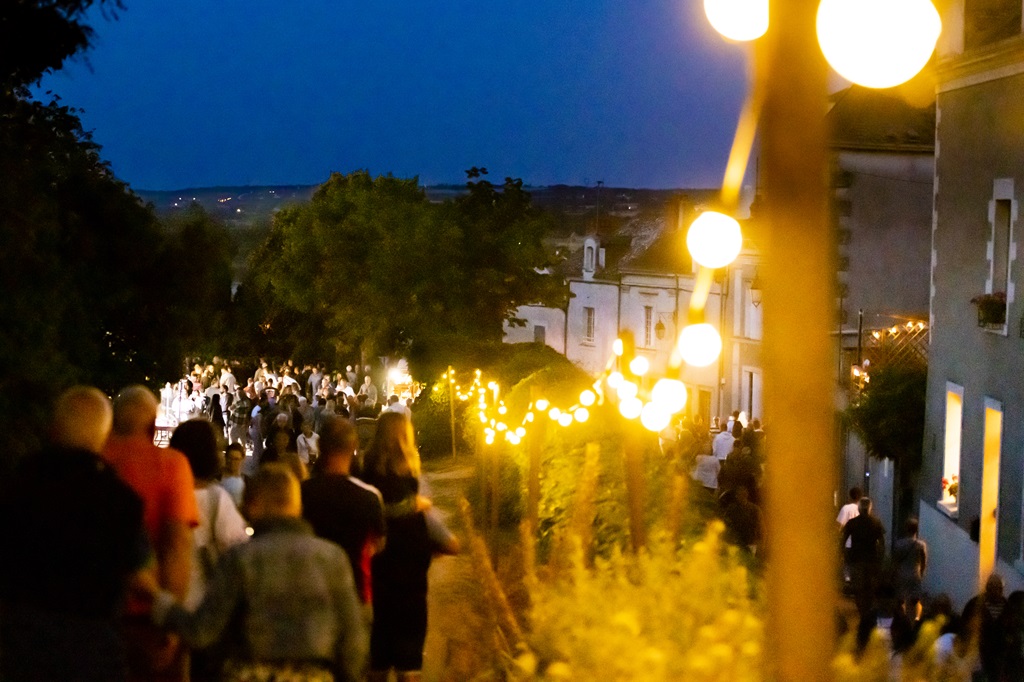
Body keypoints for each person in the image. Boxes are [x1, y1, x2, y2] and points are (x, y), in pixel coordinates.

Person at [149, 464, 368, 682]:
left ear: (252, 506)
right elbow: (353, 639)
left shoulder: (240, 559)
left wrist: (159, 602)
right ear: (297, 507)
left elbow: (202, 632)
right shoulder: (332, 558)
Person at [0, 386, 151, 682]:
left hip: (21, 645)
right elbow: (140, 569)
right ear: (105, 437)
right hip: (95, 648)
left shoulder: (16, 487)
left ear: (53, 429)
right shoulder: (119, 500)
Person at [102, 384, 199, 681]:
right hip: (148, 618)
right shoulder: (171, 465)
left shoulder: (93, 461)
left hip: (96, 616)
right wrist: (170, 620)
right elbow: (177, 546)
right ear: (155, 425)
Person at [360, 412, 458, 682]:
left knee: (381, 626)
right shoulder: (411, 474)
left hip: (381, 557)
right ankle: (407, 670)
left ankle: (379, 669)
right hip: (410, 558)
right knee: (411, 630)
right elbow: (424, 517)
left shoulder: (367, 469)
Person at [302, 416, 386, 607]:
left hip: (309, 593)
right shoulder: (368, 497)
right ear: (354, 446)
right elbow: (378, 544)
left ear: (320, 445)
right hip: (353, 593)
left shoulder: (300, 493)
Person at [842, 497, 886, 619]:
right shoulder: (876, 522)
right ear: (870, 508)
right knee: (870, 587)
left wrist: (844, 555)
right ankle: (868, 610)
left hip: (856, 559)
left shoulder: (852, 523)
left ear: (859, 508)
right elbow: (882, 543)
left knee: (858, 587)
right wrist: (880, 558)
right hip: (872, 559)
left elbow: (843, 540)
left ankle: (862, 611)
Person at [964, 572, 1009, 682]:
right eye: (993, 587)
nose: (996, 591)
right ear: (988, 587)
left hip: (1000, 656)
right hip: (978, 654)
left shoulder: (1008, 607)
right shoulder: (975, 604)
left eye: (999, 588)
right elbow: (965, 626)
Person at [890, 517, 927, 620]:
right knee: (915, 600)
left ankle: (902, 619)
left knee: (900, 599)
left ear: (906, 529)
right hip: (915, 574)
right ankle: (915, 619)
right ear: (916, 530)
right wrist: (921, 573)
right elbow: (924, 561)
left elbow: (895, 562)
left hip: (901, 574)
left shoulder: (899, 544)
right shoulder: (921, 545)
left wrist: (892, 575)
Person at [221, 442, 247, 508]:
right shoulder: (216, 480)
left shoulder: (247, 483)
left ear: (242, 459)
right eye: (230, 458)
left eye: (236, 459)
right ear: (226, 458)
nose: (232, 462)